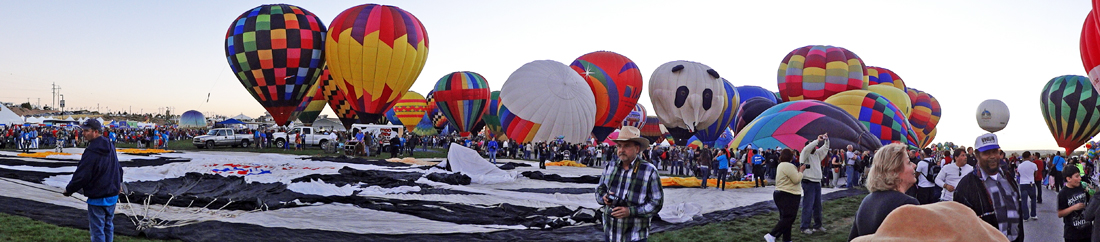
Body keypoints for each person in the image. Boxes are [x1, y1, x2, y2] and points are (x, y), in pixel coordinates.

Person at [596, 127, 663, 242]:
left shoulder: (649, 171)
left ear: (637, 149)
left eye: (626, 146)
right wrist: (604, 198)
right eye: (619, 146)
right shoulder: (610, 167)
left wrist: (631, 211)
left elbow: (656, 203)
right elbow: (599, 189)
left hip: (634, 236)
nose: (621, 150)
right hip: (611, 233)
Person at [954, 133, 1024, 242]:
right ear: (977, 155)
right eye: (986, 153)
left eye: (995, 152)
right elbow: (962, 229)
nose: (992, 156)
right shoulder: (965, 187)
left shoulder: (1008, 178)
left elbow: (1017, 214)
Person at [63, 119, 123, 242]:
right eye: (83, 131)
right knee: (108, 226)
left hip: (98, 196)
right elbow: (118, 167)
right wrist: (119, 184)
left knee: (97, 230)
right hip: (112, 194)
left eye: (86, 131)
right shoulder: (110, 145)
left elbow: (82, 175)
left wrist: (69, 190)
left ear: (96, 132)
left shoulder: (92, 151)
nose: (83, 134)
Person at [848, 143, 919, 240]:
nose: (914, 165)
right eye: (908, 162)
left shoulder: (867, 201)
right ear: (894, 170)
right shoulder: (906, 204)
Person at [765, 148, 805, 242]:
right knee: (790, 217)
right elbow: (796, 180)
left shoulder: (781, 165)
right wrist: (801, 171)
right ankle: (772, 235)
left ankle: (787, 239)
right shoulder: (789, 166)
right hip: (789, 195)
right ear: (790, 157)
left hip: (779, 194)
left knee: (785, 218)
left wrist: (797, 170)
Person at [799, 134, 829, 235]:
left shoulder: (816, 154)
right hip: (808, 182)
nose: (813, 147)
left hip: (817, 182)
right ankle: (804, 227)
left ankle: (817, 226)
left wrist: (826, 140)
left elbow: (825, 148)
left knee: (817, 206)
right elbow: (807, 149)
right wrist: (816, 141)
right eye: (811, 145)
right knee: (808, 205)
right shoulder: (804, 155)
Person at [1059, 166, 1092, 242]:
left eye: (1079, 175)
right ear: (1068, 179)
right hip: (1072, 234)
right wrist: (1073, 208)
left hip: (1087, 231)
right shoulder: (1063, 193)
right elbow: (1060, 213)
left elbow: (1091, 201)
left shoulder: (1082, 187)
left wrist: (1090, 191)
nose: (1080, 178)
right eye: (1077, 176)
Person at [1016, 151, 1039, 221]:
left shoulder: (1020, 166)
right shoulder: (1033, 165)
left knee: (1024, 201)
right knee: (1033, 199)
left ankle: (1025, 216)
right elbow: (1036, 174)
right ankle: (1033, 214)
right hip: (1031, 183)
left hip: (1023, 184)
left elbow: (1018, 174)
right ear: (1029, 156)